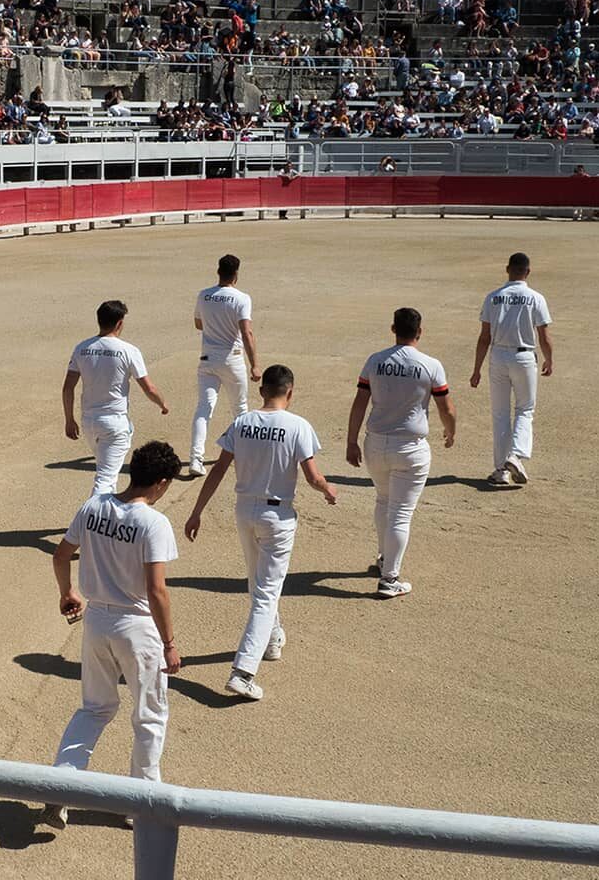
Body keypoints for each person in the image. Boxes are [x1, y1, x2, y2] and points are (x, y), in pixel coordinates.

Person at [42, 442, 183, 831]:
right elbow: (157, 590)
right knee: (149, 715)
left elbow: (60, 554)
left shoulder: (94, 506)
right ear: (161, 482)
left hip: (96, 622)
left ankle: (62, 786)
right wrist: (170, 643)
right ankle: (141, 803)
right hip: (137, 628)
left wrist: (66, 592)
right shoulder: (154, 523)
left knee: (94, 708)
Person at [183, 365, 336, 700]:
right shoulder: (298, 426)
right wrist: (326, 489)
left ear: (262, 391)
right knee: (266, 592)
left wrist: (197, 511)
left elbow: (218, 469)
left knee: (258, 582)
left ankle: (272, 638)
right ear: (290, 392)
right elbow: (312, 477)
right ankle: (242, 671)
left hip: (244, 511)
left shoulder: (242, 422)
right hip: (277, 517)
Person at [345, 308, 456, 599]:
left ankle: (384, 559)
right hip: (410, 448)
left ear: (393, 328)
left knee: (383, 500)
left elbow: (359, 403)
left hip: (375, 444)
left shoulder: (375, 360)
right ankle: (389, 578)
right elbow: (446, 408)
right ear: (420, 332)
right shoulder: (431, 365)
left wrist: (351, 441)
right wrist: (450, 430)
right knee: (401, 513)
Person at [63, 300, 170, 495]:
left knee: (104, 469)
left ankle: (102, 516)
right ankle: (95, 519)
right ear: (120, 323)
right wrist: (162, 403)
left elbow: (68, 387)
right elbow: (149, 387)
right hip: (114, 424)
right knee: (106, 478)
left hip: (89, 423)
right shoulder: (128, 350)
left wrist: (69, 419)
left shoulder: (82, 348)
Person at [469, 252, 553, 485]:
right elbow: (544, 336)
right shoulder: (536, 298)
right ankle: (515, 455)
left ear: (508, 269)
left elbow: (484, 337)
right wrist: (549, 359)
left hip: (497, 355)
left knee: (500, 414)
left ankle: (501, 470)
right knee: (525, 409)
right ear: (528, 272)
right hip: (524, 356)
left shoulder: (493, 297)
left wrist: (476, 369)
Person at [188, 254, 260, 478]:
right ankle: (244, 454)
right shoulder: (241, 298)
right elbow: (246, 332)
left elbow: (199, 324)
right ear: (236, 275)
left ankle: (195, 458)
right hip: (232, 358)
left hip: (208, 359)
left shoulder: (205, 295)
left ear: (218, 271)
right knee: (240, 409)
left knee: (204, 408)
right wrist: (255, 365)